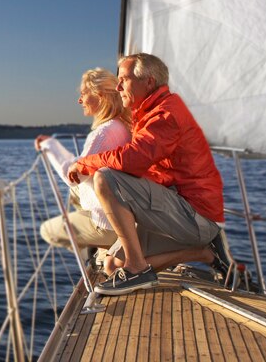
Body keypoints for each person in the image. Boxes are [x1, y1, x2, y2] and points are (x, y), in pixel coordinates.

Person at [67, 53, 225, 296]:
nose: (118, 87)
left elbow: (133, 159)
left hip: (195, 216)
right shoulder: (147, 113)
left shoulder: (165, 115)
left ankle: (138, 268)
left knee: (106, 178)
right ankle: (203, 253)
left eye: (124, 80)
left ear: (149, 82)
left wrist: (84, 163)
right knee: (110, 265)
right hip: (181, 210)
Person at [35, 68, 131, 263]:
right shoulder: (123, 126)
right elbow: (82, 169)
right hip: (127, 214)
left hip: (109, 225)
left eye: (83, 94)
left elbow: (72, 176)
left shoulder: (103, 134)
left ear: (100, 95)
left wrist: (49, 145)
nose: (79, 100)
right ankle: (107, 247)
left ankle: (106, 249)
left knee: (47, 231)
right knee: (76, 195)